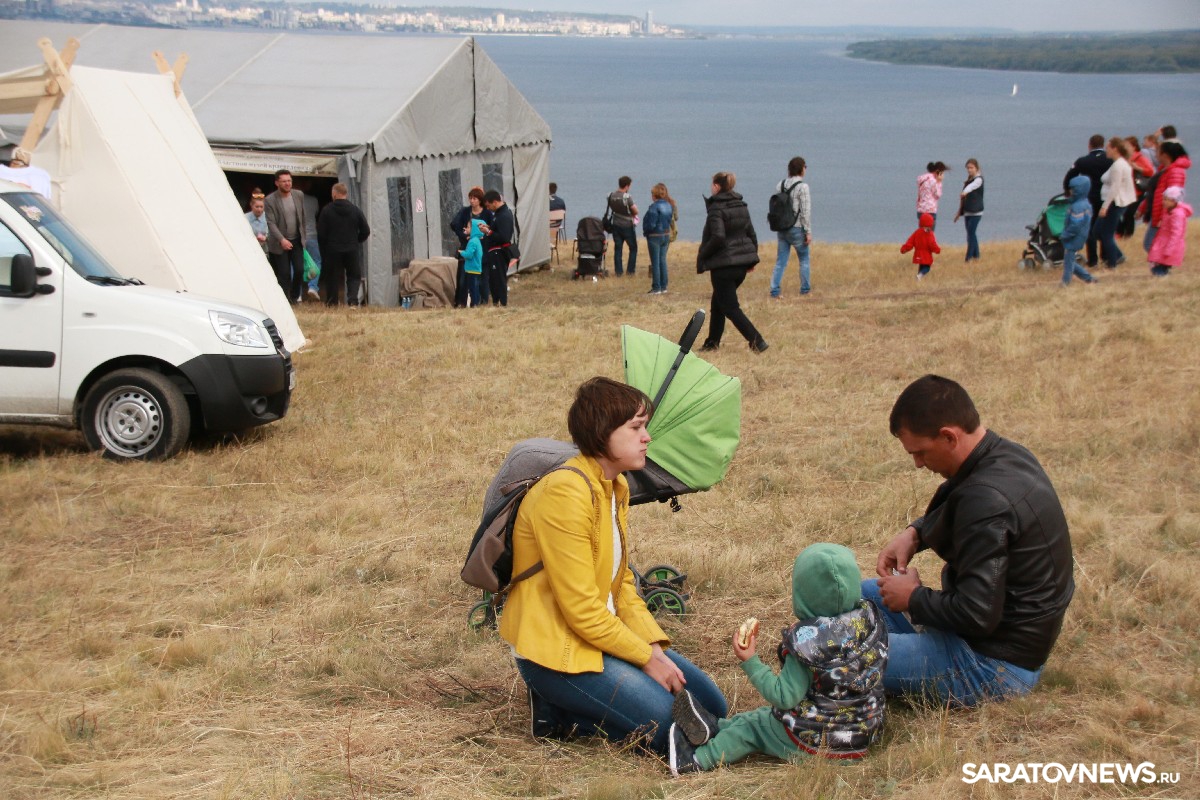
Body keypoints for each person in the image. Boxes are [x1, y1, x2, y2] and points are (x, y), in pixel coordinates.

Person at [499, 377, 728, 756]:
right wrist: (645, 660)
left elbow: (620, 584)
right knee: (675, 730)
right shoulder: (565, 493)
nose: (647, 437)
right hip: (558, 655)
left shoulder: (612, 486)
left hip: (602, 638)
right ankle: (558, 708)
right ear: (602, 433)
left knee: (713, 708)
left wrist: (652, 646)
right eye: (636, 427)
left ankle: (573, 708)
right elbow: (582, 611)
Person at [865, 374, 1075, 707]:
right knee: (857, 593)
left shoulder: (986, 500)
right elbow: (962, 505)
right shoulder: (1006, 456)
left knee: (834, 659)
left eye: (921, 452)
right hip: (1000, 640)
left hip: (994, 665)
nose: (918, 464)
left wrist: (914, 598)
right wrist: (915, 534)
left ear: (949, 436)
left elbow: (977, 614)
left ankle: (852, 659)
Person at [667, 543, 887, 776]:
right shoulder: (867, 626)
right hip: (860, 733)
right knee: (761, 716)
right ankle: (716, 728)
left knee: (753, 728)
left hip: (815, 740)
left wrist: (751, 661)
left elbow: (784, 697)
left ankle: (695, 761)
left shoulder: (809, 646)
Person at [697, 171, 768, 354]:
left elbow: (718, 237)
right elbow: (751, 234)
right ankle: (712, 342)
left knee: (730, 307)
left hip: (724, 266)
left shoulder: (716, 209)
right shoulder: (741, 205)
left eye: (712, 184)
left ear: (717, 186)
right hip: (740, 266)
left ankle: (756, 341)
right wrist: (751, 260)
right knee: (718, 303)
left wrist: (703, 255)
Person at [316, 183, 371, 306]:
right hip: (351, 248)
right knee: (353, 276)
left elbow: (321, 233)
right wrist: (356, 240)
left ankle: (332, 303)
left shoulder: (327, 210)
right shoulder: (355, 210)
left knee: (332, 276)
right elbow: (366, 230)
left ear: (334, 194)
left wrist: (324, 249)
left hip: (332, 249)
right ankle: (352, 301)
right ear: (346, 194)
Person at [1062, 135, 1112, 267]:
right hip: (1106, 198)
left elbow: (1069, 177)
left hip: (1089, 198)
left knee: (1089, 229)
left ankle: (1093, 260)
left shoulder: (1082, 161)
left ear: (1089, 145)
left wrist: (1067, 191)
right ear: (1103, 144)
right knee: (1104, 227)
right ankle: (1106, 257)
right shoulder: (1110, 160)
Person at [769, 156, 813, 298]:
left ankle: (775, 290)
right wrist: (807, 231)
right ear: (802, 169)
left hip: (782, 227)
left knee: (781, 261)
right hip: (797, 227)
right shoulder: (803, 187)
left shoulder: (780, 185)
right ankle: (805, 289)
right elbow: (805, 211)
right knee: (804, 259)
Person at [264, 169, 308, 304]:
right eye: (284, 181)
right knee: (284, 273)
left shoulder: (299, 195)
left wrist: (304, 237)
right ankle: (285, 301)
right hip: (279, 242)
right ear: (277, 183)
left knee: (299, 270)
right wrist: (282, 239)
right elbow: (271, 223)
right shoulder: (270, 200)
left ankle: (294, 296)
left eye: (289, 181)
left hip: (296, 240)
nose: (287, 183)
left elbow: (302, 217)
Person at [1142, 141, 1190, 252]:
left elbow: (1173, 196)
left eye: (1158, 151)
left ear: (1165, 155)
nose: (1155, 154)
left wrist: (1164, 217)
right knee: (1151, 245)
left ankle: (1164, 263)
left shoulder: (1175, 171)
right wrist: (1143, 208)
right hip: (1158, 212)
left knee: (1152, 246)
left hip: (1164, 215)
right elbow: (1154, 191)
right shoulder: (1164, 170)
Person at [1096, 137, 1136, 269]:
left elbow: (1115, 187)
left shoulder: (1118, 166)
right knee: (1098, 231)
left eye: (1108, 148)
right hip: (1113, 202)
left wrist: (1105, 207)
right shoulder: (1118, 163)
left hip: (1114, 203)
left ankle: (1112, 263)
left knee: (1106, 233)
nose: (1106, 150)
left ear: (1115, 149)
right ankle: (1117, 256)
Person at [451, 187, 492, 307]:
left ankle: (482, 301)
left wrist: (485, 235)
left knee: (482, 276)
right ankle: (461, 302)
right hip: (468, 245)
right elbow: (455, 225)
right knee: (463, 277)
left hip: (482, 248)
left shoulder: (487, 213)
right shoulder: (465, 212)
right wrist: (465, 236)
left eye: (474, 198)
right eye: (470, 198)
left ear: (480, 200)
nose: (472, 201)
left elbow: (492, 228)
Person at [1060, 175, 1100, 286]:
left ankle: (1065, 282)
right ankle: (1089, 279)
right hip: (1079, 236)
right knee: (1070, 261)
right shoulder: (1084, 203)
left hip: (1075, 237)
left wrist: (1065, 234)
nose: (1070, 191)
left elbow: (1076, 225)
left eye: (1073, 189)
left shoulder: (1078, 206)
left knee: (1068, 262)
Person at [1147, 186, 1191, 277]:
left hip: (1169, 244)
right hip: (1163, 242)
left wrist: (1169, 249)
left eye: (1167, 200)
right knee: (1155, 262)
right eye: (1164, 199)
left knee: (1158, 266)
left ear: (1174, 201)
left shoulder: (1177, 214)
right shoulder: (1168, 211)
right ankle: (1163, 273)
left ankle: (1162, 276)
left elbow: (1176, 233)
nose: (1164, 202)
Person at [480, 190, 514, 306]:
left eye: (488, 205)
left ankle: (502, 303)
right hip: (494, 252)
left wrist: (488, 232)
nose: (488, 208)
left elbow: (504, 237)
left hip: (499, 252)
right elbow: (498, 229)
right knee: (493, 279)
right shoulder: (499, 214)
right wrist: (489, 228)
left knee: (499, 279)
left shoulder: (504, 215)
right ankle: (496, 302)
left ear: (495, 202)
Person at [642, 183, 676, 295]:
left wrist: (646, 232)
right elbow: (670, 220)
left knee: (655, 262)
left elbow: (651, 224)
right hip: (665, 234)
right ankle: (664, 286)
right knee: (662, 261)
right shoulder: (669, 205)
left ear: (654, 195)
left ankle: (656, 287)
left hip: (655, 235)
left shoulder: (654, 207)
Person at [1120, 136, 1155, 239]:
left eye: (1127, 145)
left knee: (1128, 214)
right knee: (1124, 214)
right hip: (1126, 191)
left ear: (1134, 147)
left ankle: (1128, 236)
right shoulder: (1124, 158)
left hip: (1136, 191)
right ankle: (1123, 235)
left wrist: (1137, 167)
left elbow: (1150, 171)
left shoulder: (1139, 158)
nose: (1125, 147)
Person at [606, 176, 639, 276]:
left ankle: (618, 272)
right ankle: (630, 271)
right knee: (633, 248)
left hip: (616, 224)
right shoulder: (627, 197)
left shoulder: (610, 196)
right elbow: (635, 211)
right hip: (627, 225)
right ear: (627, 186)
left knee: (618, 249)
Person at [953, 158, 984, 262]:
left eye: (971, 168)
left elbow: (971, 187)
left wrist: (965, 192)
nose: (969, 170)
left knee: (971, 234)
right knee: (971, 234)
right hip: (967, 211)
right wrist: (959, 212)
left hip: (976, 212)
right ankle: (976, 256)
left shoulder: (979, 179)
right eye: (968, 168)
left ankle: (968, 258)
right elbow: (963, 199)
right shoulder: (968, 180)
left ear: (976, 168)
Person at [901, 213, 940, 281]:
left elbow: (910, 242)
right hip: (926, 255)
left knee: (921, 266)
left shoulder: (917, 232)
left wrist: (904, 249)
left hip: (918, 254)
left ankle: (918, 279)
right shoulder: (930, 233)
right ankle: (920, 275)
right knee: (927, 268)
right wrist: (937, 250)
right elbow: (932, 244)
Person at [458, 218, 485, 304]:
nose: (467, 228)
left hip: (472, 269)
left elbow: (469, 255)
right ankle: (476, 303)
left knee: (472, 289)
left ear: (474, 230)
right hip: (477, 268)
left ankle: (474, 304)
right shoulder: (477, 240)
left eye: (468, 227)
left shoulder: (472, 241)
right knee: (476, 288)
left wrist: (462, 252)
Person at [916, 161, 948, 228]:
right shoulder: (933, 181)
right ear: (938, 172)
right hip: (930, 210)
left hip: (920, 209)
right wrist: (939, 182)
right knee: (930, 232)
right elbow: (938, 194)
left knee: (922, 231)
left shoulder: (922, 179)